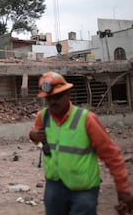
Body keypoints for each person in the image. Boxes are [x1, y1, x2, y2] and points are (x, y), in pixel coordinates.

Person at [29, 71, 133, 215]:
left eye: (58, 97)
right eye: (49, 98)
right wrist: (33, 135)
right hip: (54, 186)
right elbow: (36, 135)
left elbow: (111, 155)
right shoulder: (43, 116)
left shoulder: (86, 119)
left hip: (83, 190)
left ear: (68, 94)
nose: (53, 102)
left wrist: (123, 189)